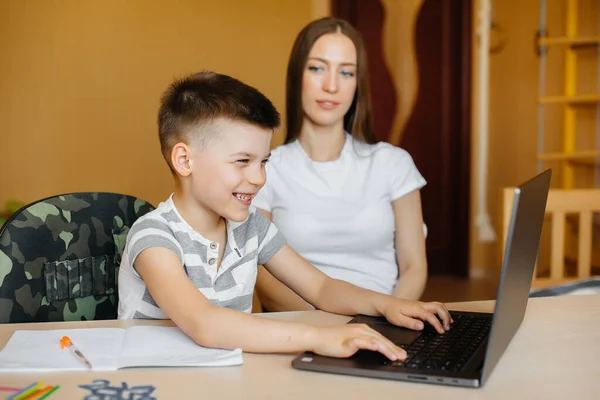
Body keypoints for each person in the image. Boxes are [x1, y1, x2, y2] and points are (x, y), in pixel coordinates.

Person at [117, 70, 451, 362]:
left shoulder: (252, 228)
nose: (259, 178)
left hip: (228, 376)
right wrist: (317, 338)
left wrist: (386, 306)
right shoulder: (154, 238)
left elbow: (321, 288)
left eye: (263, 162)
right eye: (242, 161)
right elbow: (205, 323)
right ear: (185, 161)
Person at [253, 17, 428, 312]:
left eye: (346, 73)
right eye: (317, 68)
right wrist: (332, 331)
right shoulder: (265, 170)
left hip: (384, 326)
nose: (331, 86)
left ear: (357, 85)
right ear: (297, 75)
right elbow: (266, 283)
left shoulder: (393, 164)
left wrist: (386, 319)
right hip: (303, 328)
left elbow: (414, 266)